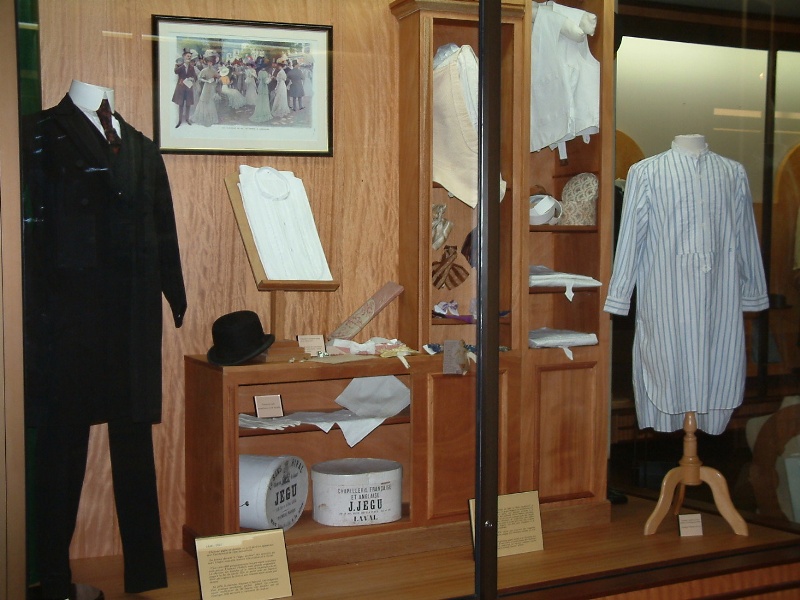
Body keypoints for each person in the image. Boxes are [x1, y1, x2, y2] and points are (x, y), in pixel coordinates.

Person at [21, 79, 187, 598]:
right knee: (61, 448)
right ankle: (50, 575)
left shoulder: (139, 145)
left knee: (133, 444)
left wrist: (174, 292)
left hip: (134, 321)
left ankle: (145, 573)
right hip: (66, 324)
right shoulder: (38, 132)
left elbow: (164, 224)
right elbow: (27, 226)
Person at [605, 134, 769, 435]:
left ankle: (709, 419)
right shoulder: (646, 172)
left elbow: (746, 235)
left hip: (720, 298)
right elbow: (629, 241)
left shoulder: (733, 173)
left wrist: (754, 292)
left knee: (719, 361)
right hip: (665, 297)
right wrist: (620, 296)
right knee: (664, 361)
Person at [171, 49, 196, 127]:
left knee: (188, 104)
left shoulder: (192, 67)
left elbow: (195, 76)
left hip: (188, 88)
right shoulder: (179, 65)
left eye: (190, 56)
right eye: (187, 56)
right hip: (181, 89)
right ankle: (180, 120)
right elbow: (176, 72)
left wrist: (193, 78)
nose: (189, 57)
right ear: (184, 57)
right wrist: (184, 65)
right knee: (180, 104)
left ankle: (187, 119)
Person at [192, 59, 219, 127]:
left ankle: (211, 117)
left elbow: (218, 77)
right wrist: (206, 81)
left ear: (212, 64)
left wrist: (215, 79)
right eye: (209, 63)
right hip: (206, 86)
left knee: (211, 100)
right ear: (207, 63)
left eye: (211, 63)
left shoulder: (214, 70)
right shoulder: (204, 70)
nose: (210, 64)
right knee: (204, 99)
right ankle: (203, 117)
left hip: (212, 86)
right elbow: (199, 78)